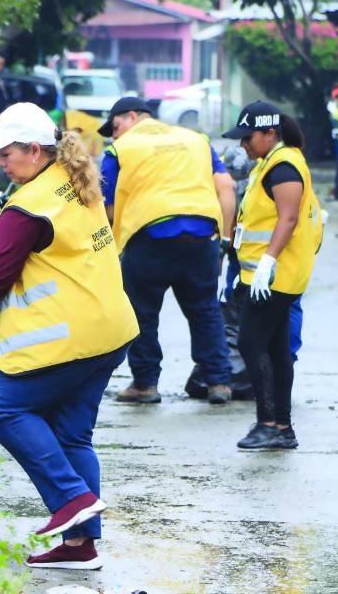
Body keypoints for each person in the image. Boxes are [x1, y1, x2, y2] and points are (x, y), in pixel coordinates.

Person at [0, 102, 139, 570]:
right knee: (72, 435)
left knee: (3, 407)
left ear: (35, 151)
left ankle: (71, 499)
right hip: (111, 330)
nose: (0, 163)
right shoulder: (73, 180)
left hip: (70, 337)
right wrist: (7, 209)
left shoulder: (27, 207)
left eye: (6, 155)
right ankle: (80, 547)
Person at [98, 96, 236, 404]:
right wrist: (224, 239)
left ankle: (145, 384)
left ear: (132, 116)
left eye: (116, 125)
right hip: (201, 235)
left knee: (142, 312)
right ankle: (218, 382)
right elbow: (226, 186)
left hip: (150, 236)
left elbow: (105, 208)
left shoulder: (119, 150)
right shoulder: (196, 140)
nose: (114, 134)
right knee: (205, 308)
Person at [222, 100, 322, 449]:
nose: (243, 144)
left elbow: (289, 218)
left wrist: (268, 260)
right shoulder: (270, 164)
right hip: (267, 275)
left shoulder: (284, 168)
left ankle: (269, 424)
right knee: (277, 349)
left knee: (251, 343)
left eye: (248, 137)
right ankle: (282, 426)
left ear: (269, 133)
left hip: (275, 276)